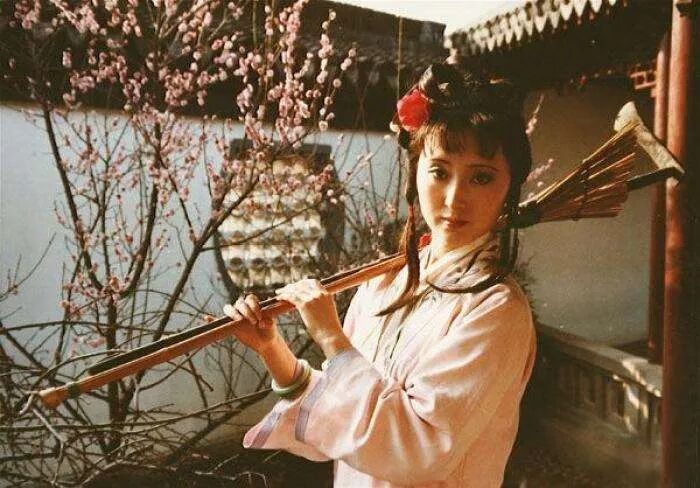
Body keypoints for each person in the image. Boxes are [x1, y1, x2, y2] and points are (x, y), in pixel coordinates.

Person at [223, 62, 537, 487]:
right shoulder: (385, 281)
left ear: (509, 189)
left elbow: (417, 450)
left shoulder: (497, 309)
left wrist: (331, 337)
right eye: (439, 171)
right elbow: (345, 426)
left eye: (481, 177)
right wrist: (271, 348)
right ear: (416, 172)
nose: (454, 197)